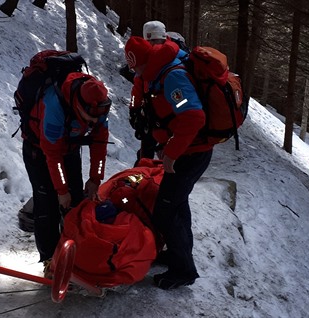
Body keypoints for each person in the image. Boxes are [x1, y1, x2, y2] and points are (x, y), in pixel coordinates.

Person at [124, 36, 215, 290]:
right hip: (184, 151)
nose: (135, 72)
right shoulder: (154, 73)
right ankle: (178, 254)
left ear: (144, 62)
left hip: (191, 154)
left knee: (165, 209)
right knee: (176, 204)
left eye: (136, 67)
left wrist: (172, 154)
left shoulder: (171, 77)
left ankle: (184, 271)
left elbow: (193, 117)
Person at [21, 71, 111, 276]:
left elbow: (99, 144)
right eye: (91, 119)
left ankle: (75, 251)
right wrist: (61, 190)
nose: (95, 122)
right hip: (39, 152)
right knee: (48, 205)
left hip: (70, 147)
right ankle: (50, 260)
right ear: (79, 107)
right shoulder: (54, 107)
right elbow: (52, 157)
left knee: (76, 200)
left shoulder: (99, 108)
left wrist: (95, 178)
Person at [129, 21, 190, 166]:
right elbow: (137, 88)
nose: (152, 45)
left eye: (153, 41)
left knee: (154, 156)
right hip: (158, 114)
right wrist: (134, 109)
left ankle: (149, 177)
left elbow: (137, 88)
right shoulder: (178, 55)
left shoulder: (169, 61)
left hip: (165, 116)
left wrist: (134, 109)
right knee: (151, 153)